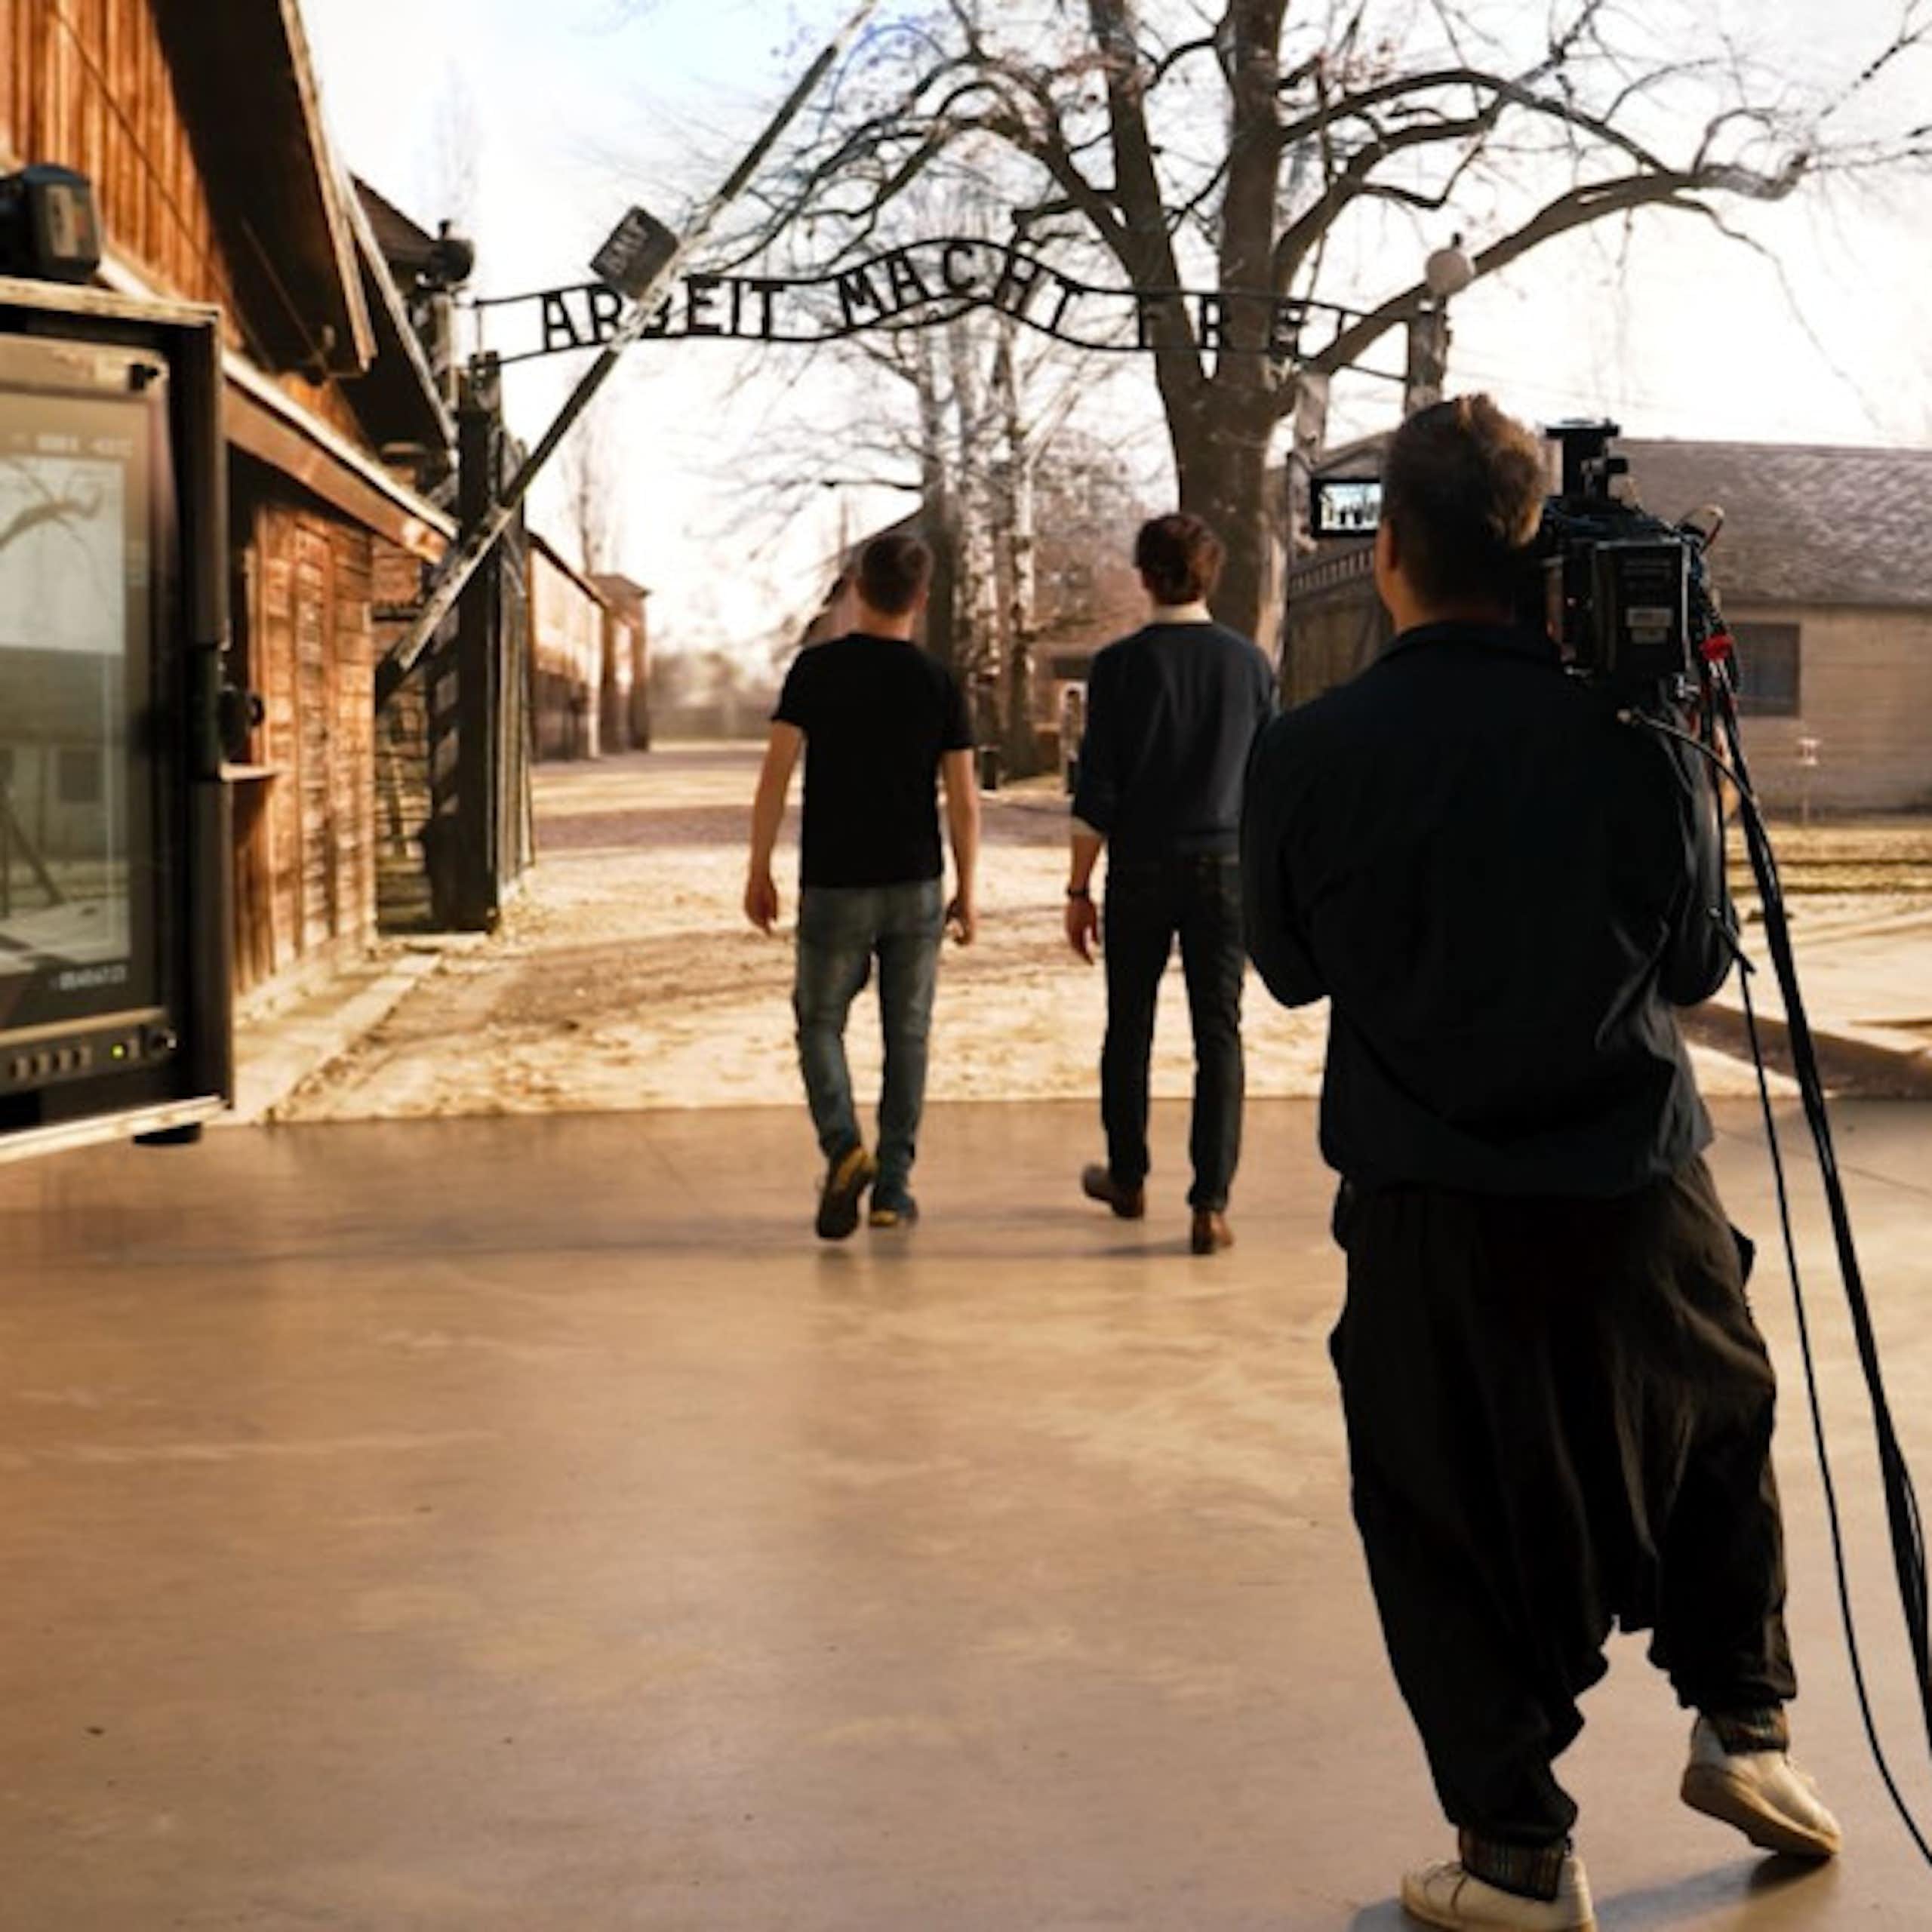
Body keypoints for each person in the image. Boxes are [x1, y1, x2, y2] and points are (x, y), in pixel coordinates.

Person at [1241, 395, 1838, 1930]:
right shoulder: (1635, 738)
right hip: (1637, 1184)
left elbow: (1289, 970)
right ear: (1530, 551)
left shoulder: (1306, 753)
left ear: (1396, 557)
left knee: (1438, 1515)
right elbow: (1699, 962)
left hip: (1429, 1204)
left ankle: (1514, 1849)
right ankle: (1745, 1722)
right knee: (1713, 1428)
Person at [746, 534, 980, 1238]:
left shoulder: (815, 673)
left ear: (855, 588)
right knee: (907, 1035)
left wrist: (759, 867)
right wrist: (969, 887)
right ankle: (893, 1190)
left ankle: (845, 1149)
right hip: (914, 880)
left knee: (820, 1023)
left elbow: (777, 774)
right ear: (922, 598)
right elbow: (963, 798)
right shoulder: (938, 681)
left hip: (834, 881)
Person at [1066, 512, 1276, 1255]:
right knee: (1218, 1032)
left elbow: (1097, 790)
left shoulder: (1118, 667)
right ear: (1209, 575)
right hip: (1225, 865)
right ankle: (1209, 1202)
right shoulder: (1249, 666)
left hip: (1141, 866)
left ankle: (1127, 1177)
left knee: (1130, 1023)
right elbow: (1266, 783)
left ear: (1144, 575)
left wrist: (1077, 888)